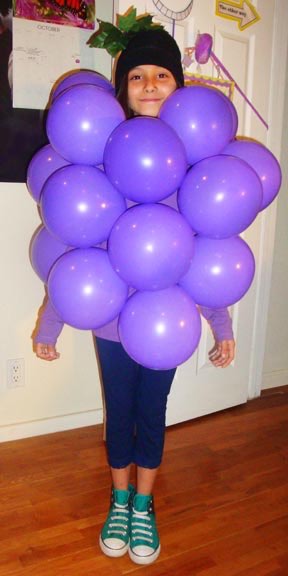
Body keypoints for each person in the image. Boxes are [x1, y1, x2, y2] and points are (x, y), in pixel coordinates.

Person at [33, 26, 235, 566]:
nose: (149, 85)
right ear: (122, 90)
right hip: (110, 323)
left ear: (180, 87)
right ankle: (119, 498)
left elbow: (210, 253)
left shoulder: (195, 167)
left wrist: (223, 323)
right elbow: (78, 252)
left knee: (154, 409)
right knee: (119, 411)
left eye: (162, 75)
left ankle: (144, 504)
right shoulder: (100, 164)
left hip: (167, 322)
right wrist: (50, 322)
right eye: (137, 77)